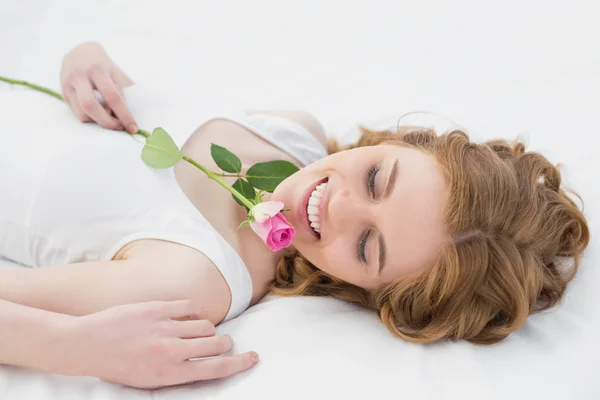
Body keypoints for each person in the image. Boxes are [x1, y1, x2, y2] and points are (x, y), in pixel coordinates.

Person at [0, 41, 590, 388]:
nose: (340, 205)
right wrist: (85, 59)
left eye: (366, 246)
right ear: (408, 142)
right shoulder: (292, 132)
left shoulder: (196, 277)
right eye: (378, 177)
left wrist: (72, 347)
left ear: (372, 292)